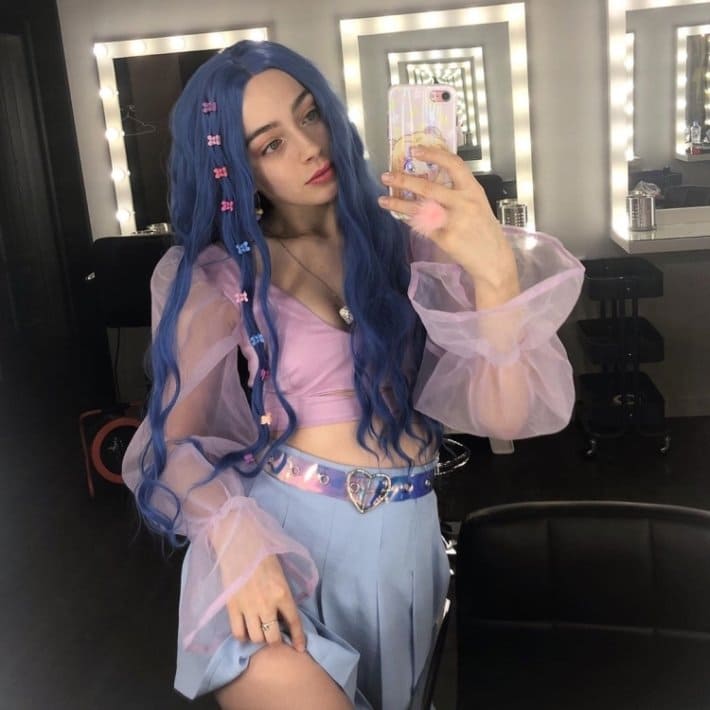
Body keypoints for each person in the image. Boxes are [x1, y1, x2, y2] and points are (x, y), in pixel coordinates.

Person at [121, 40, 584, 710]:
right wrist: (234, 538)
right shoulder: (223, 278)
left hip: (406, 548)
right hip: (277, 551)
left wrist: (492, 268)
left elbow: (508, 415)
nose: (311, 147)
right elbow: (175, 446)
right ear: (237, 169)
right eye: (271, 144)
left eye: (310, 115)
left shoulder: (409, 247)